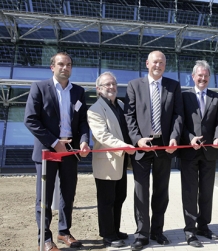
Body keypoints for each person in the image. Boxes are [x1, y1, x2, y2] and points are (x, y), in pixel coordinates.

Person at [24, 52, 91, 251]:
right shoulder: (39, 88)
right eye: (61, 64)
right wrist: (54, 142)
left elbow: (83, 123)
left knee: (68, 194)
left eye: (69, 64)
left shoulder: (78, 92)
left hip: (71, 151)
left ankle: (64, 231)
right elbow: (30, 119)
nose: (65, 67)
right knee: (44, 197)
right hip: (47, 152)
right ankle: (44, 238)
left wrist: (85, 142)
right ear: (52, 67)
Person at [124, 50, 184, 250]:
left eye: (162, 63)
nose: (158, 65)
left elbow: (178, 115)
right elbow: (129, 116)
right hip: (143, 146)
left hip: (164, 146)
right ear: (147, 64)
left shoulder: (173, 86)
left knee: (161, 191)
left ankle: (157, 231)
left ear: (165, 66)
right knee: (141, 192)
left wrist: (174, 137)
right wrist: (137, 139)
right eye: (155, 62)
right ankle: (142, 234)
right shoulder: (134, 86)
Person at [179, 60, 218, 248]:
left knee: (206, 192)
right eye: (200, 75)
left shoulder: (217, 98)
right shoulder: (183, 97)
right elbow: (179, 122)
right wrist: (190, 137)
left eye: (206, 75)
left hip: (210, 152)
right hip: (189, 152)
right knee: (190, 192)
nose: (203, 78)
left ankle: (204, 226)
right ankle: (190, 231)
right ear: (193, 77)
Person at [87, 72, 138, 248]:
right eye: (107, 84)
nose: (111, 87)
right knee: (106, 200)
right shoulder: (94, 110)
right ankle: (108, 235)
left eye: (113, 84)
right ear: (98, 89)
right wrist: (124, 146)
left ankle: (115, 229)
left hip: (122, 160)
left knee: (119, 196)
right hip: (107, 161)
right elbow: (102, 135)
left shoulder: (122, 105)